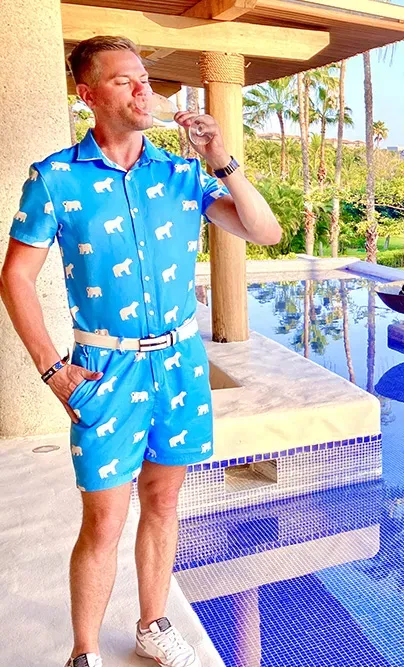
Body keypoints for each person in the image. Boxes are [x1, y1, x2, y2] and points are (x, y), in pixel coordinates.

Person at [0, 36, 281, 667]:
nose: (142, 89)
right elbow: (14, 277)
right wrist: (52, 369)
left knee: (164, 500)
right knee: (103, 520)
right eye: (124, 80)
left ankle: (153, 625)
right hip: (104, 369)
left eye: (144, 79)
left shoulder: (182, 175)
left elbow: (265, 232)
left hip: (179, 364)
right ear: (89, 94)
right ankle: (84, 653)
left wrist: (220, 157)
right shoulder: (55, 179)